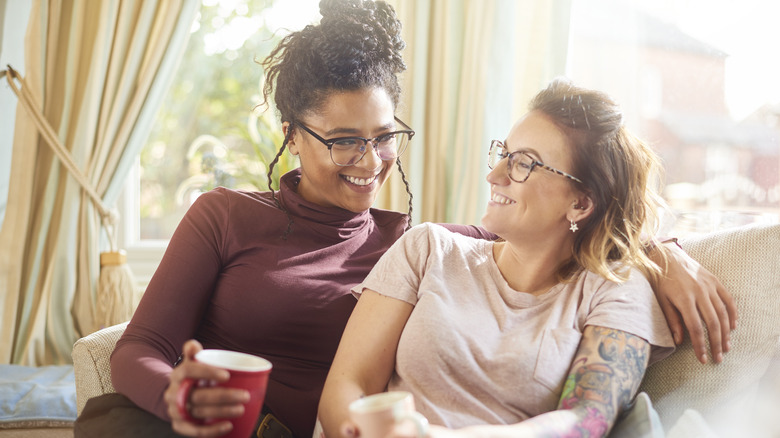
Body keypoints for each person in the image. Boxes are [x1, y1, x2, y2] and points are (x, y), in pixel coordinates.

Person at [102, 1, 734, 438]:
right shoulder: (226, 216)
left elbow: (556, 217)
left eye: (385, 137)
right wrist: (175, 396)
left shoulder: (408, 243)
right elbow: (141, 347)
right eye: (343, 139)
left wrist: (665, 251)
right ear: (293, 136)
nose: (369, 161)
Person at [318, 78, 695, 438]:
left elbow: (585, 423)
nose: (495, 175)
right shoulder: (428, 250)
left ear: (580, 203)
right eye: (504, 154)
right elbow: (350, 384)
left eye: (524, 163)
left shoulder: (616, 291)